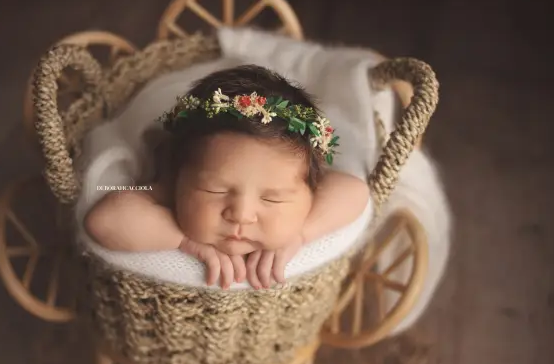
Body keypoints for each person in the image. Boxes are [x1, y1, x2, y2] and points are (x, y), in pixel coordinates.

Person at [84, 64, 370, 290]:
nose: (241, 215)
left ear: (311, 192)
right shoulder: (169, 184)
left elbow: (355, 191)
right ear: (179, 178)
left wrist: (300, 235)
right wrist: (183, 241)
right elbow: (102, 221)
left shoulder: (305, 178)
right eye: (215, 191)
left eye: (272, 197)